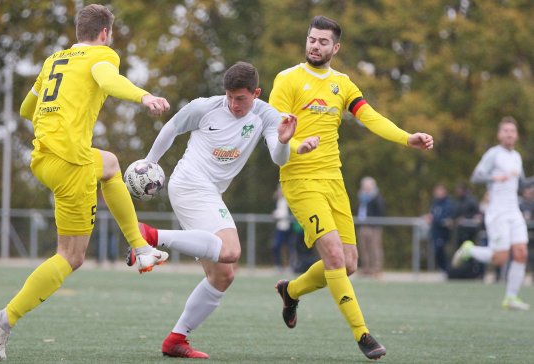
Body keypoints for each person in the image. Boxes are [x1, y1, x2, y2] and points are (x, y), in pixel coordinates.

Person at [0, 4, 171, 361]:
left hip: (44, 158)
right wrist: (144, 96)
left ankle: (141, 248)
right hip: (70, 164)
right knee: (71, 257)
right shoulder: (103, 55)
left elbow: (26, 109)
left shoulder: (54, 60)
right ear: (104, 33)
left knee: (111, 164)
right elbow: (108, 79)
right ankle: (4, 319)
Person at [268, 15, 434, 360]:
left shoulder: (343, 84)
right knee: (331, 255)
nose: (315, 45)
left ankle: (292, 290)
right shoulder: (287, 79)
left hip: (334, 180)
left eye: (323, 42)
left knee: (350, 263)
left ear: (336, 47)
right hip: (299, 180)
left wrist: (408, 138)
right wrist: (299, 145)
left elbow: (370, 116)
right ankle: (364, 335)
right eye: (312, 39)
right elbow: (275, 132)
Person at [127, 62, 319, 358]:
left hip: (209, 194)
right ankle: (149, 236)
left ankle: (176, 339)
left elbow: (279, 158)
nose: (233, 104)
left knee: (223, 276)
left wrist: (284, 141)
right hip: (190, 184)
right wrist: (149, 162)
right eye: (229, 96)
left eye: (240, 98)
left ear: (256, 93)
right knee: (230, 251)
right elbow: (172, 127)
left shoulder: (268, 116)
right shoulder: (204, 107)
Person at [452, 116, 532, 310]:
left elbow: (521, 184)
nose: (509, 134)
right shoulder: (493, 154)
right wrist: (494, 177)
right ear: (499, 135)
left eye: (512, 131)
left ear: (516, 135)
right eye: (505, 131)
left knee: (521, 253)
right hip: (497, 212)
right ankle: (469, 250)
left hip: (514, 211)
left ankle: (511, 298)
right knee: (500, 258)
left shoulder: (516, 157)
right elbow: (476, 176)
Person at [355, 176, 386, 278]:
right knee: (364, 249)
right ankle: (366, 269)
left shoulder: (377, 197)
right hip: (363, 225)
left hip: (373, 227)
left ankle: (377, 269)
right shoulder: (361, 197)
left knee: (375, 248)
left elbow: (381, 211)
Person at [426, 183, 453, 273]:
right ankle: (443, 270)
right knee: (437, 251)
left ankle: (447, 270)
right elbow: (433, 214)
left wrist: (434, 219)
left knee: (441, 251)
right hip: (435, 232)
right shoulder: (435, 202)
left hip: (443, 233)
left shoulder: (448, 203)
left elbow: (446, 218)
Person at [271, 183, 296, 272]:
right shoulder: (277, 200)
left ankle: (291, 266)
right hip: (280, 227)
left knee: (291, 247)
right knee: (275, 246)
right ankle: (278, 266)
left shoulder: (290, 200)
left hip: (289, 227)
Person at [452, 182, 481, 246]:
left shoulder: (471, 200)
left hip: (470, 230)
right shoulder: (457, 201)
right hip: (460, 230)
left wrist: (465, 218)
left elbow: (477, 215)